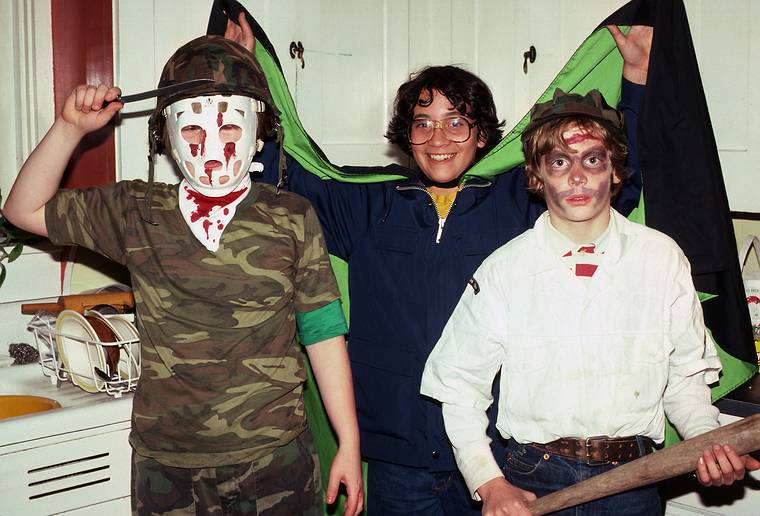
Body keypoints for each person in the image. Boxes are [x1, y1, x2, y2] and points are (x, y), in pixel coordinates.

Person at [223, 10, 652, 515]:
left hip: (500, 462)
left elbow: (613, 185)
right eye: (422, 125)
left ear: (483, 134)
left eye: (456, 122)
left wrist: (637, 83)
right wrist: (243, 76)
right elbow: (281, 173)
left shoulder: (521, 199)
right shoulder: (368, 205)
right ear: (406, 137)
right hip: (397, 460)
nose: (439, 139)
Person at [2, 36, 363, 516]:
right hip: (168, 466)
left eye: (231, 126)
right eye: (191, 128)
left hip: (277, 457)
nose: (211, 146)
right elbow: (23, 210)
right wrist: (69, 128)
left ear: (259, 134)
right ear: (166, 137)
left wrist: (350, 442)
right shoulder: (135, 211)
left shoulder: (292, 216)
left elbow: (323, 335)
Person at [420, 89, 760, 515]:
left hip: (635, 478)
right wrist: (488, 483)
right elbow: (459, 386)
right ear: (537, 176)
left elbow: (684, 379)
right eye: (559, 162)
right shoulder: (505, 270)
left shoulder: (660, 258)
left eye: (592, 159)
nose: (577, 177)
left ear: (615, 171)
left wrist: (705, 444)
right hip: (533, 480)